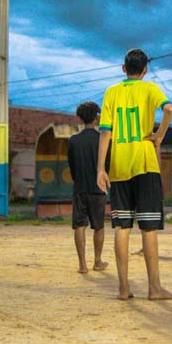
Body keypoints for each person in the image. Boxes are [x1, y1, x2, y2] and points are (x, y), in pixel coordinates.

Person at [96, 48, 172, 301]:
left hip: (119, 165)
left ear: (124, 69)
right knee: (148, 228)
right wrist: (159, 135)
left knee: (122, 227)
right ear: (145, 70)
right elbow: (169, 110)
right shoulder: (150, 89)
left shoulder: (111, 92)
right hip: (145, 163)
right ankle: (154, 289)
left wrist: (101, 168)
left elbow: (106, 133)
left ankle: (123, 289)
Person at [67, 101, 109, 274]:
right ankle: (97, 261)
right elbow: (107, 165)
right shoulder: (103, 140)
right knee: (98, 226)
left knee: (79, 225)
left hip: (80, 188)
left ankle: (82, 265)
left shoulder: (74, 140)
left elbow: (72, 166)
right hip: (98, 190)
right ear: (96, 117)